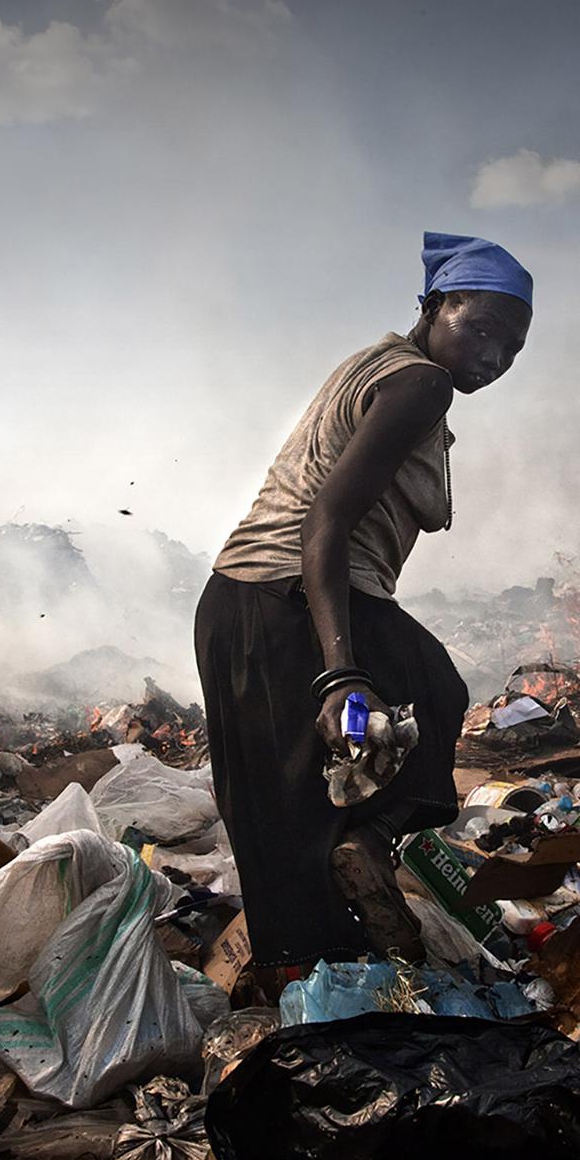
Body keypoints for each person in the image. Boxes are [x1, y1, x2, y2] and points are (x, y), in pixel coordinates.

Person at [196, 232, 534, 977]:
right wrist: (340, 674)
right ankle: (369, 846)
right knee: (433, 692)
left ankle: (302, 985)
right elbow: (326, 521)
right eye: (479, 328)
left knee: (285, 814)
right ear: (436, 305)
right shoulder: (419, 383)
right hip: (288, 596)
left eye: (512, 348)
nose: (493, 357)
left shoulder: (380, 365)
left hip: (237, 607)